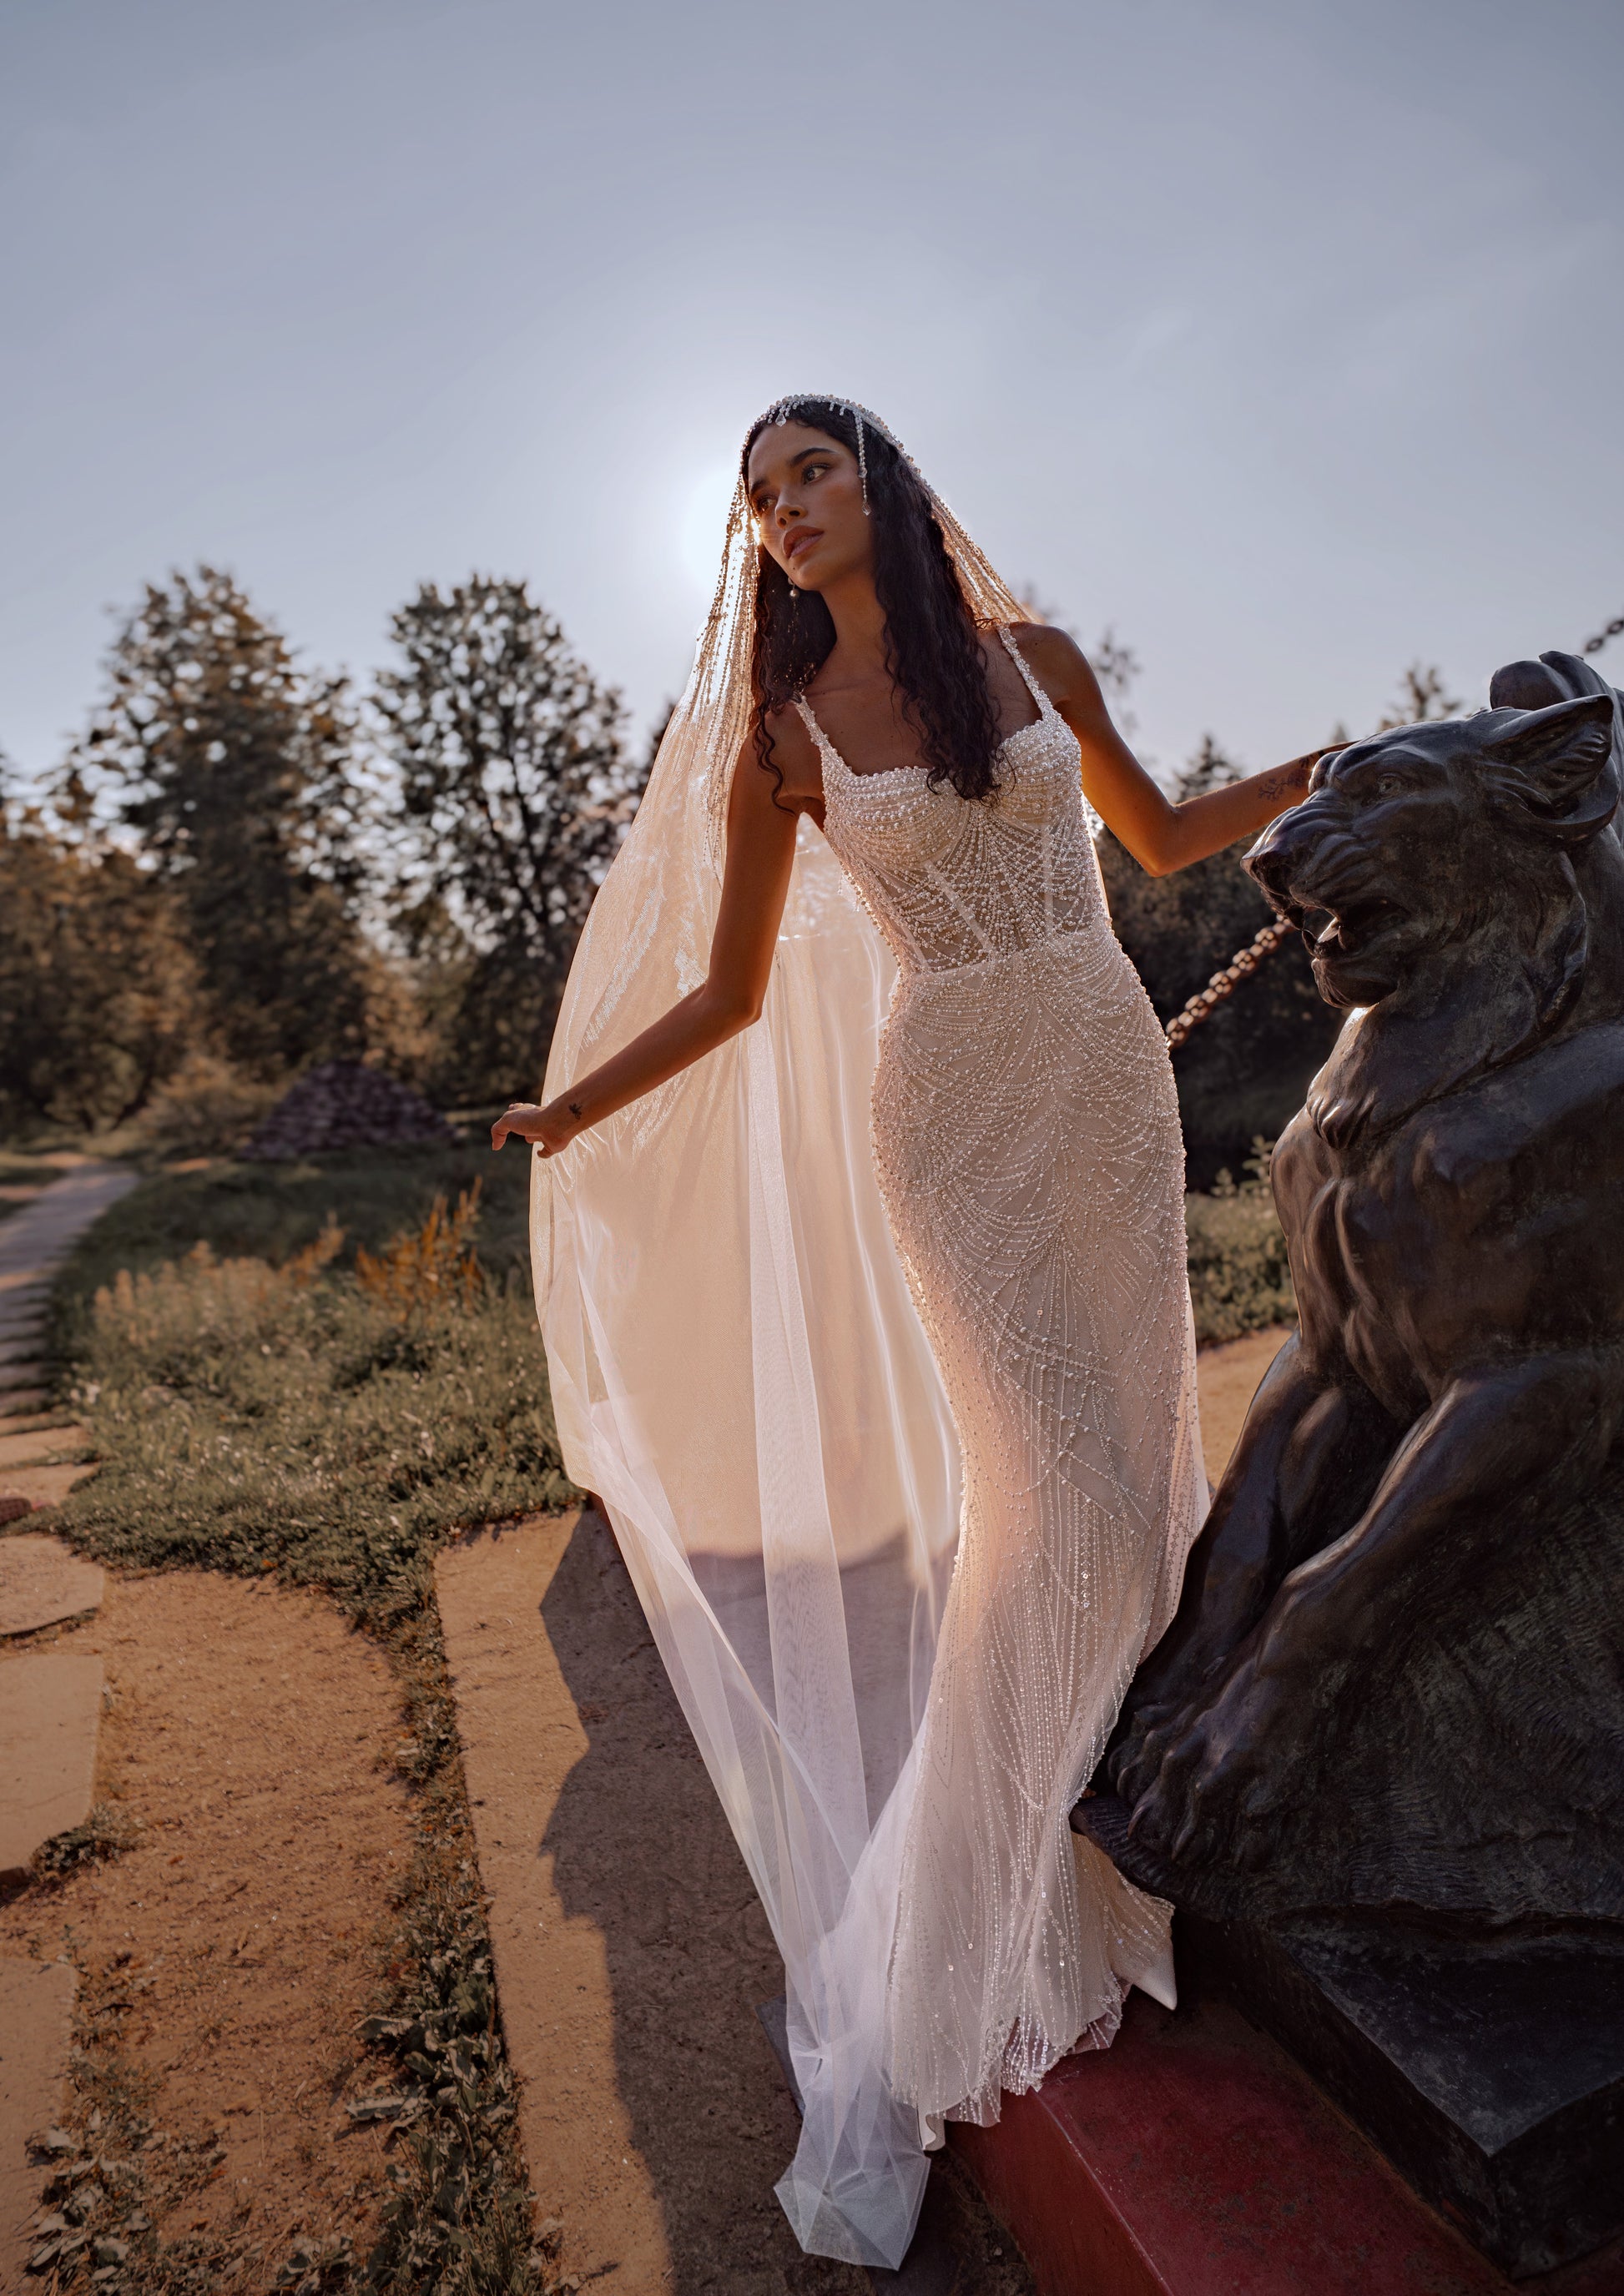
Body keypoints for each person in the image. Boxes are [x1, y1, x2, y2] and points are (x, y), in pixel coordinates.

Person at [492, 398, 1332, 2268]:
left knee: (1144, 1474)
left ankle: (1136, 1838)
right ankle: (1003, 1907)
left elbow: (1166, 836)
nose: (784, 510)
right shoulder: (781, 738)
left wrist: (1327, 761)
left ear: (882, 481)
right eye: (756, 496)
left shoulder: (1029, 659)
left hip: (1106, 1088)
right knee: (1060, 1485)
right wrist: (575, 1114)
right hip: (947, 1107)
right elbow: (720, 986)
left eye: (810, 471)